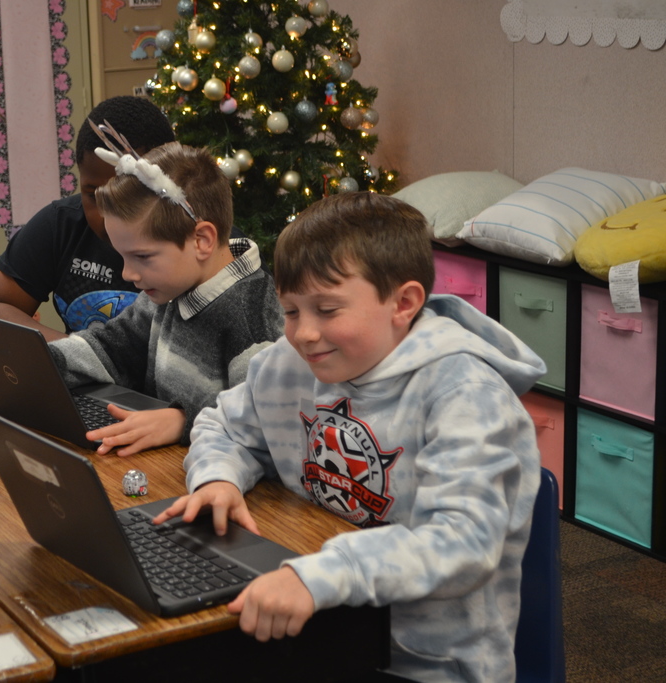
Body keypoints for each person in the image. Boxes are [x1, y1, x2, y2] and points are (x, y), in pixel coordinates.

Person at [154, 192, 546, 682]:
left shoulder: (467, 395)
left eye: (327, 309)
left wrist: (325, 574)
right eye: (291, 311)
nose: (304, 333)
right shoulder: (288, 363)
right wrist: (218, 478)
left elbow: (462, 542)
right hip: (319, 627)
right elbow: (224, 426)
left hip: (425, 662)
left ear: (403, 303)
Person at [48, 129, 283, 456]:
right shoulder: (169, 289)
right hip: (167, 461)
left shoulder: (253, 319)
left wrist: (182, 421)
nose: (128, 274)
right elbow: (113, 347)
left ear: (202, 240)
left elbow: (267, 421)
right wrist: (44, 362)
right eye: (123, 256)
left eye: (142, 257)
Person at [0, 96, 175, 341]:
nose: (109, 217)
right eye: (94, 196)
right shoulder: (62, 225)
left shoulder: (196, 242)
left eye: (130, 196)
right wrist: (78, 354)